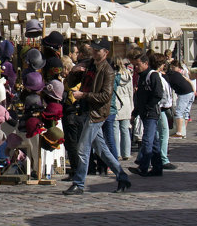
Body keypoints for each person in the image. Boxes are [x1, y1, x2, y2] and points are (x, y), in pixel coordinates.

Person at [64, 39, 131, 195]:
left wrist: (84, 95)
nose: (94, 52)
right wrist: (74, 71)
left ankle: (79, 183)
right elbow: (71, 82)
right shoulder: (89, 64)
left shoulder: (107, 71)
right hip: (86, 111)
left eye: (98, 50)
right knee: (102, 150)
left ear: (105, 52)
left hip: (96, 114)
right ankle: (122, 177)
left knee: (82, 148)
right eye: (93, 49)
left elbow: (106, 96)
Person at [130, 52, 163, 177]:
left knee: (147, 140)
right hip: (144, 113)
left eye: (138, 65)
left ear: (146, 63)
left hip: (151, 113)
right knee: (154, 142)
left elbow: (158, 94)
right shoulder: (140, 77)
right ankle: (157, 168)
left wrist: (149, 107)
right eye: (135, 65)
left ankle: (143, 167)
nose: (136, 68)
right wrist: (135, 112)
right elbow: (140, 97)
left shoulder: (152, 75)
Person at [109, 56, 133, 162]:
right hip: (126, 103)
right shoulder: (128, 75)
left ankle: (117, 153)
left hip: (116, 103)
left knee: (115, 129)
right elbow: (131, 92)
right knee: (125, 129)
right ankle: (126, 153)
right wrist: (132, 106)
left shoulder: (112, 75)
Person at [165, 59, 195, 138]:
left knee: (179, 112)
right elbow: (188, 80)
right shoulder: (177, 74)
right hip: (190, 92)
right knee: (185, 112)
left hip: (184, 93)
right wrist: (194, 90)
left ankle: (178, 132)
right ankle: (183, 132)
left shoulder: (168, 75)